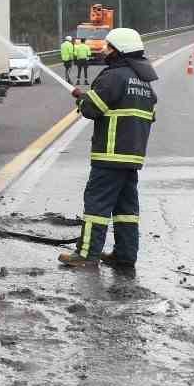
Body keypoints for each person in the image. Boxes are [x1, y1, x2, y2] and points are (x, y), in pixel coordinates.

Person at [59, 27, 158, 269]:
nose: (104, 51)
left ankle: (86, 255)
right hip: (132, 157)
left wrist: (83, 98)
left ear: (120, 51)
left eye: (109, 47)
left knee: (97, 204)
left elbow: (92, 109)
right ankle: (125, 255)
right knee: (126, 209)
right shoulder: (144, 83)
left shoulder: (113, 76)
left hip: (110, 155)